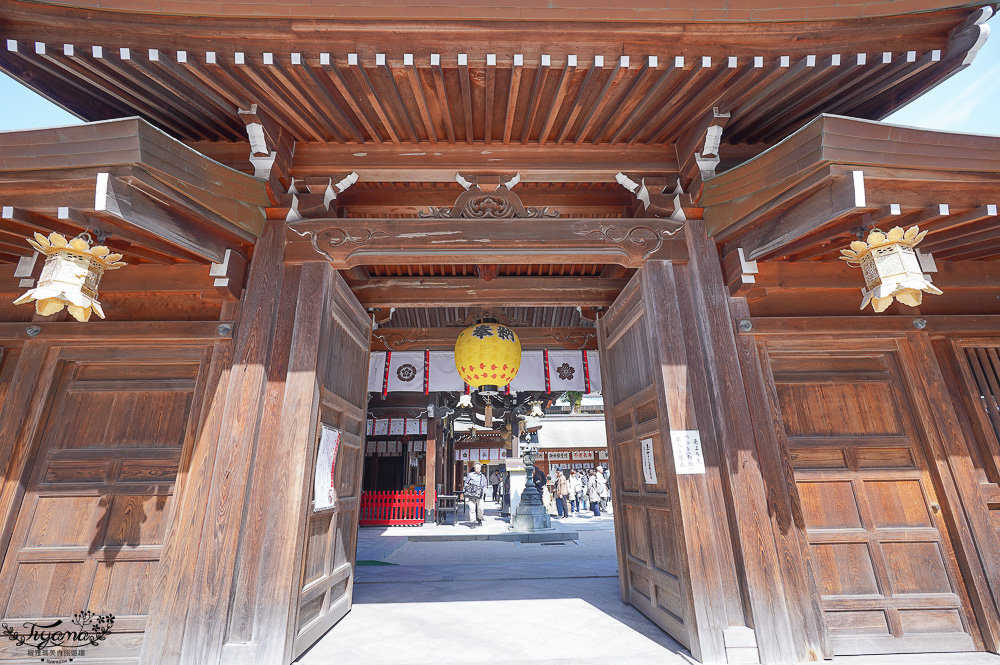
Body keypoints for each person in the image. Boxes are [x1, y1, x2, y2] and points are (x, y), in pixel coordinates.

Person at [464, 463, 489, 527]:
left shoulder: (482, 476)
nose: (477, 469)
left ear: (480, 469)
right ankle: (472, 522)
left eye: (479, 468)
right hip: (472, 493)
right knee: (472, 508)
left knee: (481, 508)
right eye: (476, 468)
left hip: (479, 494)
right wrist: (468, 488)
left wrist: (483, 492)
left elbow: (485, 485)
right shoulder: (470, 475)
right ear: (474, 468)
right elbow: (466, 483)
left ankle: (479, 518)